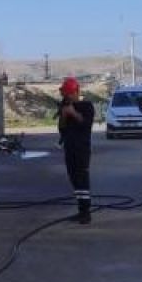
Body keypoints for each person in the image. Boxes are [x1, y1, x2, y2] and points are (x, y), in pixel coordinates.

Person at [57, 77, 95, 224]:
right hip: (69, 148)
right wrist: (64, 117)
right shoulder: (64, 107)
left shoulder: (87, 106)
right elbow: (61, 129)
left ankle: (86, 212)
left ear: (76, 92)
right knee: (74, 179)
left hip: (81, 149)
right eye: (65, 94)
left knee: (82, 179)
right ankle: (81, 210)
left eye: (69, 93)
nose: (67, 97)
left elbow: (86, 124)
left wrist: (73, 113)